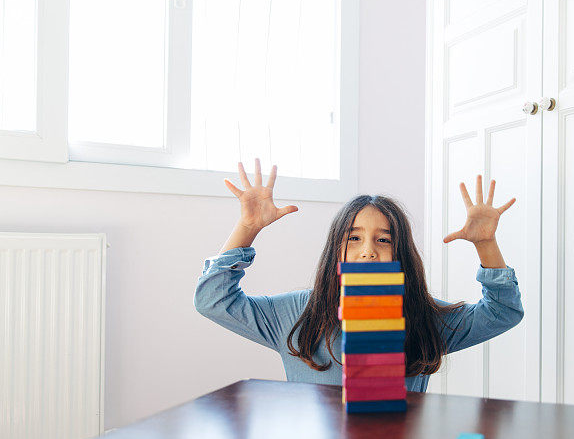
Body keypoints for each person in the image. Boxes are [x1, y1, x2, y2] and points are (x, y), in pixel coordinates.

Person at [194, 159, 523, 392]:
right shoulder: (294, 314)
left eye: (383, 240)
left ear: (401, 255)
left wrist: (486, 244)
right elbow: (213, 300)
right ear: (335, 249)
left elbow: (502, 312)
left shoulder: (424, 317)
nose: (368, 250)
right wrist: (247, 228)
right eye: (354, 238)